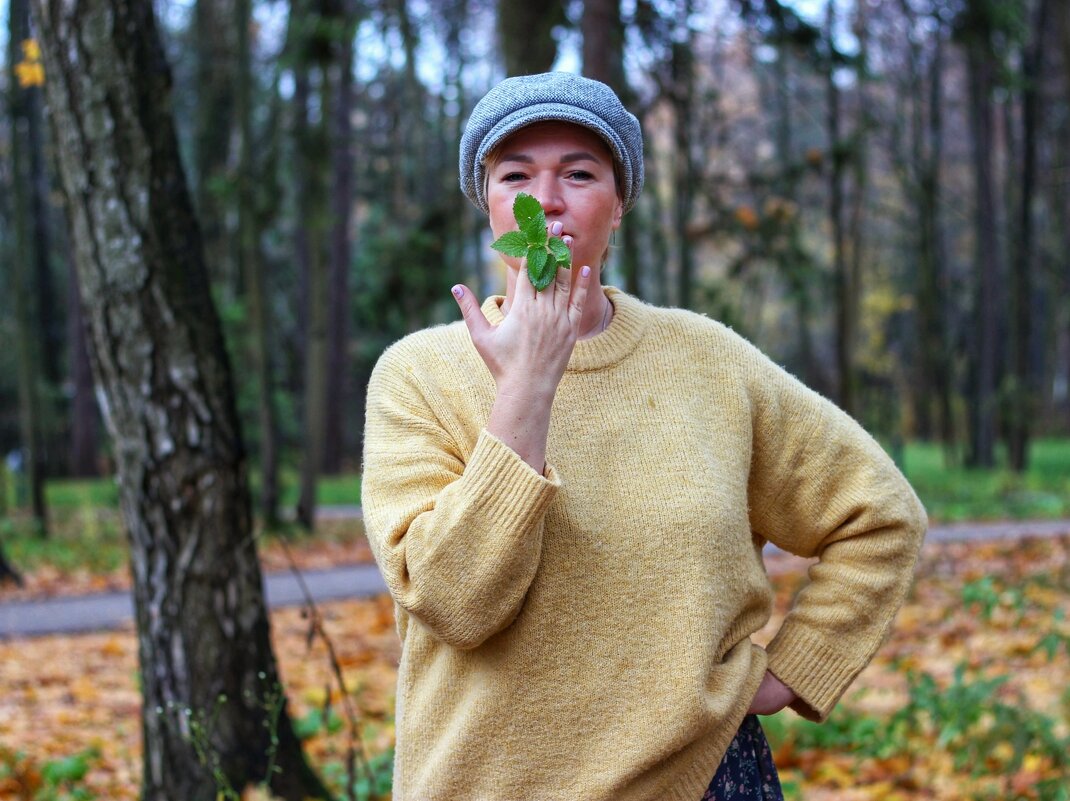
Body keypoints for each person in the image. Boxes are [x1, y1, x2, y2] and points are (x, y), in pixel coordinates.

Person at [362, 71, 927, 801]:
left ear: (620, 201)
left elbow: (878, 513)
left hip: (700, 779)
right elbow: (457, 603)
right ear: (489, 203)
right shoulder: (417, 375)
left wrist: (797, 665)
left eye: (579, 172)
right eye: (516, 174)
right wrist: (529, 384)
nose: (548, 199)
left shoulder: (709, 362)